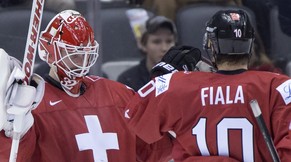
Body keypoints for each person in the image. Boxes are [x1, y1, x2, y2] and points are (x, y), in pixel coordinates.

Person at [0, 10, 173, 162]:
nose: (82, 63)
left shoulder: (117, 95)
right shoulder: (31, 105)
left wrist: (171, 102)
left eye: (86, 55)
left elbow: (154, 150)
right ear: (51, 52)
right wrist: (13, 130)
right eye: (75, 55)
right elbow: (13, 157)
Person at [125, 9, 291, 161]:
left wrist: (159, 81)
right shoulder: (278, 86)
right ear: (250, 45)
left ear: (210, 44)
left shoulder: (176, 85)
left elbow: (132, 125)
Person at [117, 15, 177, 91]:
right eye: (156, 42)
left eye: (169, 41)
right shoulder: (127, 81)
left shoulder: (184, 77)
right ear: (143, 45)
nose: (164, 48)